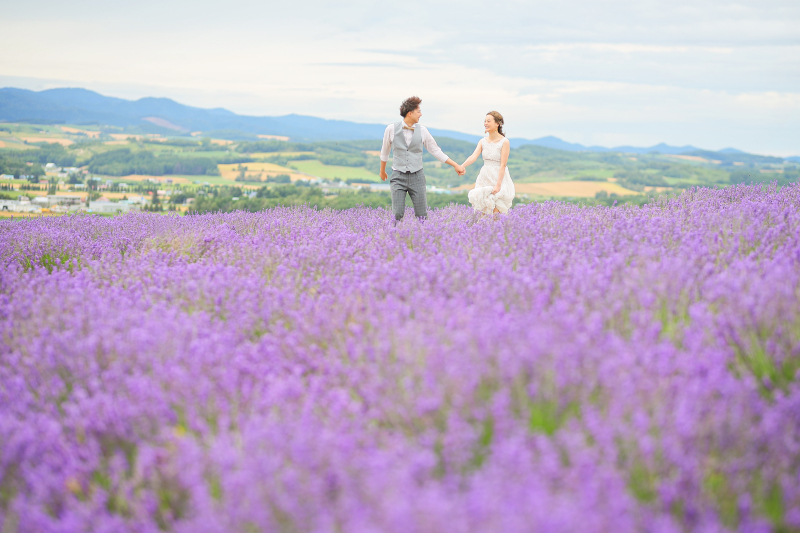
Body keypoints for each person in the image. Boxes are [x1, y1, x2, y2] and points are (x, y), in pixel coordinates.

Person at [380, 96, 465, 222]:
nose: (421, 114)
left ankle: (422, 239)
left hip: (417, 177)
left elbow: (435, 150)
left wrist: (455, 165)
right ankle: (395, 238)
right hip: (398, 176)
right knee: (397, 214)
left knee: (422, 215)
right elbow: (385, 151)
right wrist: (382, 170)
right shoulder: (391, 129)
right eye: (418, 111)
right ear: (410, 113)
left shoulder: (423, 130)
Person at [461, 111, 515, 215]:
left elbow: (503, 165)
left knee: (496, 212)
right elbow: (473, 156)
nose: (485, 123)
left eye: (488, 121)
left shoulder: (504, 142)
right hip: (484, 177)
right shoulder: (482, 141)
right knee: (484, 212)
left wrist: (498, 185)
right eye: (485, 121)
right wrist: (462, 166)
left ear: (497, 124)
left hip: (498, 177)